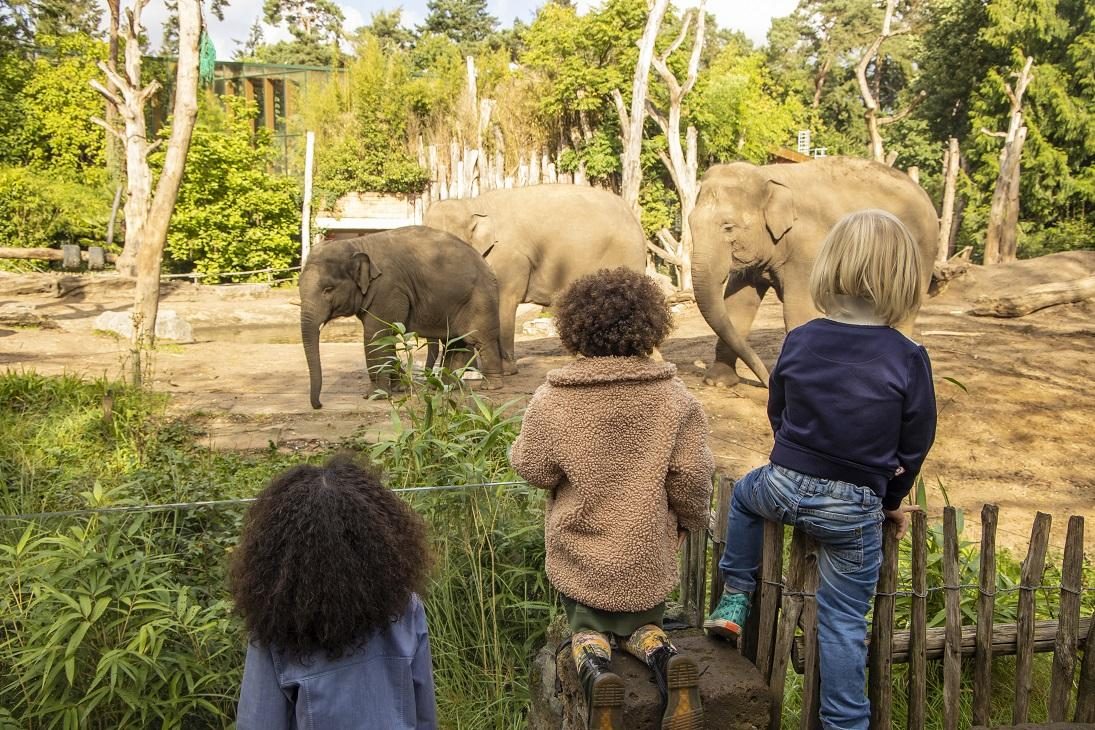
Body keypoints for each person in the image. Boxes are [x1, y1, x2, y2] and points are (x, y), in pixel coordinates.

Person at [704, 209, 937, 730]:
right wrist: (890, 503)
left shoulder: (802, 337)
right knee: (841, 624)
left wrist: (792, 455)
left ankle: (737, 594)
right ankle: (845, 723)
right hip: (853, 507)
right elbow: (915, 443)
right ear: (903, 277)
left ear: (830, 267)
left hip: (784, 484)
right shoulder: (908, 356)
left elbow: (778, 408)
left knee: (743, 494)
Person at [510, 267, 715, 730]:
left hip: (580, 554)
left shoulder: (554, 398)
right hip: (645, 552)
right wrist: (690, 519)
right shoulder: (674, 398)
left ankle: (595, 667)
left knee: (585, 626)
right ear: (650, 326)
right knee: (645, 622)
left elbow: (534, 468)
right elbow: (692, 474)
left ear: (574, 327)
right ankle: (660, 653)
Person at [231, 454, 437, 730]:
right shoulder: (405, 607)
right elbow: (425, 717)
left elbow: (257, 722)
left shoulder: (276, 628)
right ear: (380, 542)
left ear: (279, 556)